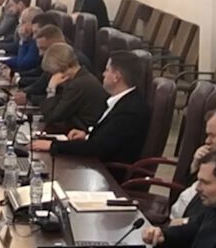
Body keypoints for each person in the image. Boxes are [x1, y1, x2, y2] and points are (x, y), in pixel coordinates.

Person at [31, 51, 150, 181]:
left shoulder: (129, 111)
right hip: (98, 167)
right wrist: (87, 135)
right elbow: (108, 139)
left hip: (107, 176)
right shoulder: (126, 101)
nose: (103, 74)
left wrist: (53, 146)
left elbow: (97, 148)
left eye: (107, 70)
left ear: (116, 77)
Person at [13, 25, 92, 105]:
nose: (40, 54)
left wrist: (29, 99)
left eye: (44, 48)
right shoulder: (57, 59)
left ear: (57, 44)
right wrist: (22, 94)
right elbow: (41, 83)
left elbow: (61, 98)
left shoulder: (73, 61)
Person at [38, 43, 108, 133]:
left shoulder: (77, 85)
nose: (53, 77)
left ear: (63, 69)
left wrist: (51, 88)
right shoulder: (83, 77)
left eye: (54, 73)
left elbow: (51, 117)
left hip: (82, 132)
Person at [0, 7, 41, 73]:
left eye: (23, 22)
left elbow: (23, 65)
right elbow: (19, 58)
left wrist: (23, 39)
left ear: (33, 23)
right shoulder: (29, 37)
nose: (20, 26)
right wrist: (0, 61)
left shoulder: (37, 40)